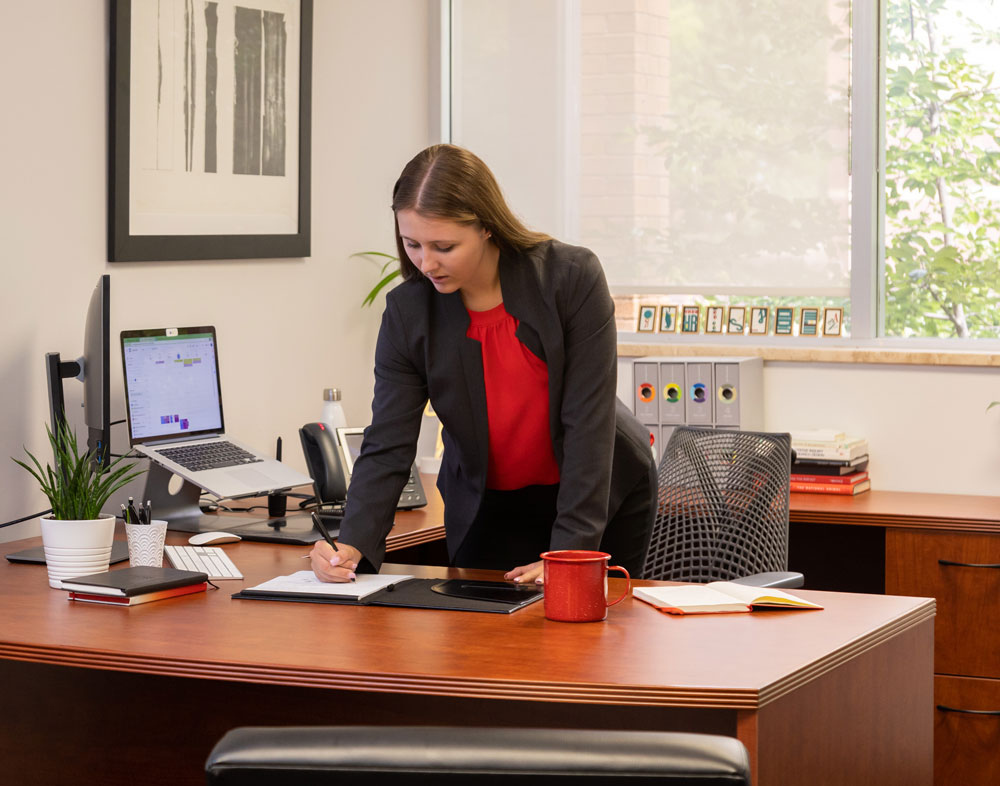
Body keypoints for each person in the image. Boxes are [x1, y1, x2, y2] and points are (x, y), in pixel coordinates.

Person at [309, 144, 656, 585]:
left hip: (595, 495)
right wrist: (351, 543)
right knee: (481, 643)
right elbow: (388, 442)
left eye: (444, 246)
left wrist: (570, 555)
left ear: (487, 226)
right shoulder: (409, 313)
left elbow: (589, 426)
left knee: (586, 636)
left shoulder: (570, 279)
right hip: (486, 501)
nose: (425, 262)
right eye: (411, 244)